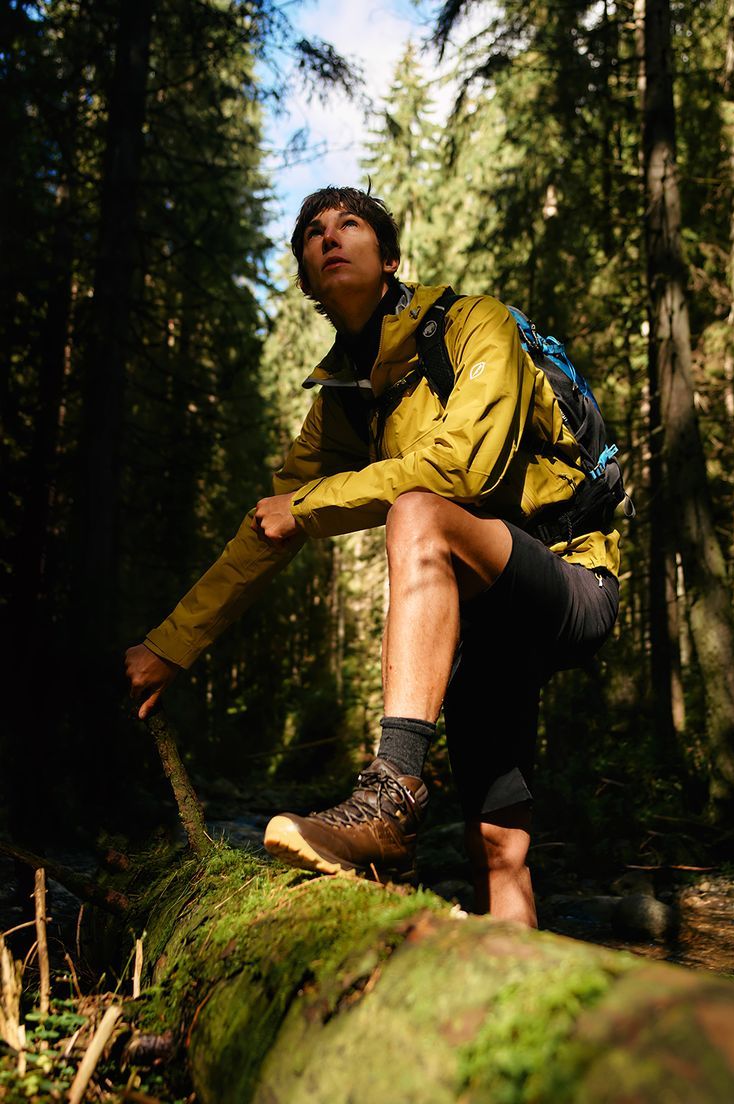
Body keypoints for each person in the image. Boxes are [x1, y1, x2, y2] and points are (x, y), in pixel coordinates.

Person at [125, 186, 620, 926]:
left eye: (350, 224)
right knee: (499, 852)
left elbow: (464, 470)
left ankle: (391, 796)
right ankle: (518, 1009)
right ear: (307, 279)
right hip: (481, 624)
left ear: (389, 260)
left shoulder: (474, 324)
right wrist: (170, 647)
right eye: (313, 233)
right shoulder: (344, 404)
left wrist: (311, 507)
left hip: (567, 582)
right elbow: (264, 530)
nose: (330, 237)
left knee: (418, 511)